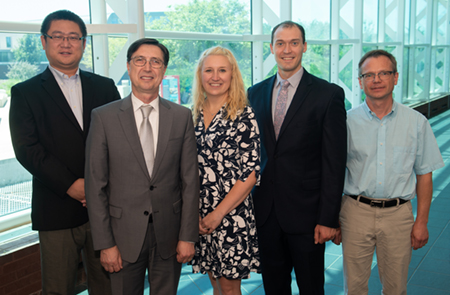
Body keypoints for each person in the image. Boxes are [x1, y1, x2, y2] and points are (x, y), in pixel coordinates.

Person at [9, 10, 119, 295]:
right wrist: (72, 186)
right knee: (58, 289)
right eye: (57, 36)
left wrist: (96, 187)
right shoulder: (25, 93)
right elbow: (27, 149)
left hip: (103, 209)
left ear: (84, 43)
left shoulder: (105, 87)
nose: (66, 43)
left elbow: (121, 141)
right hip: (56, 207)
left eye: (74, 37)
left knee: (108, 285)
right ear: (44, 42)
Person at [85, 38, 199, 295]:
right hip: (121, 237)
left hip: (169, 236)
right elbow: (95, 186)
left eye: (155, 62)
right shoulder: (104, 117)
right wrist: (105, 244)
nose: (148, 68)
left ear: (163, 70)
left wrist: (187, 236)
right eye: (140, 60)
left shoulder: (181, 117)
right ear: (128, 66)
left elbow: (190, 181)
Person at [333, 49, 445, 295]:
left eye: (384, 73)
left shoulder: (416, 122)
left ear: (395, 77)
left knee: (395, 288)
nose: (376, 80)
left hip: (398, 215)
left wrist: (421, 222)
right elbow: (334, 173)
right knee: (354, 288)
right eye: (369, 75)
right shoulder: (345, 122)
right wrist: (334, 218)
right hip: (355, 212)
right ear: (360, 81)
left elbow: (425, 174)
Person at [247, 21, 347, 294]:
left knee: (311, 287)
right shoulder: (254, 93)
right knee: (274, 286)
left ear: (304, 47)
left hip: (308, 216)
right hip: (266, 213)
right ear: (271, 48)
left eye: (293, 43)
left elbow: (335, 163)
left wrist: (328, 219)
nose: (287, 49)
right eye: (280, 43)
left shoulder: (328, 95)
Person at [190, 46, 261, 295]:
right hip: (199, 216)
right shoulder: (192, 115)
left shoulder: (243, 115)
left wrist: (217, 215)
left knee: (230, 289)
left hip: (231, 216)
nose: (215, 76)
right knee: (214, 283)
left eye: (222, 70)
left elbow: (250, 174)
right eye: (209, 70)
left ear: (233, 75)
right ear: (200, 75)